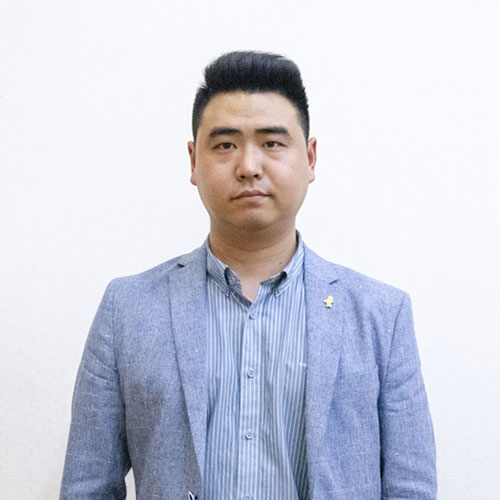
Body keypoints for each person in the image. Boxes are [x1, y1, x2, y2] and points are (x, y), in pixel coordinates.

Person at [60, 51, 437, 500]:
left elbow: (411, 488)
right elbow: (88, 487)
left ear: (310, 158)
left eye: (272, 143)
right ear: (193, 161)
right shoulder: (128, 309)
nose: (249, 166)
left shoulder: (381, 315)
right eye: (225, 145)